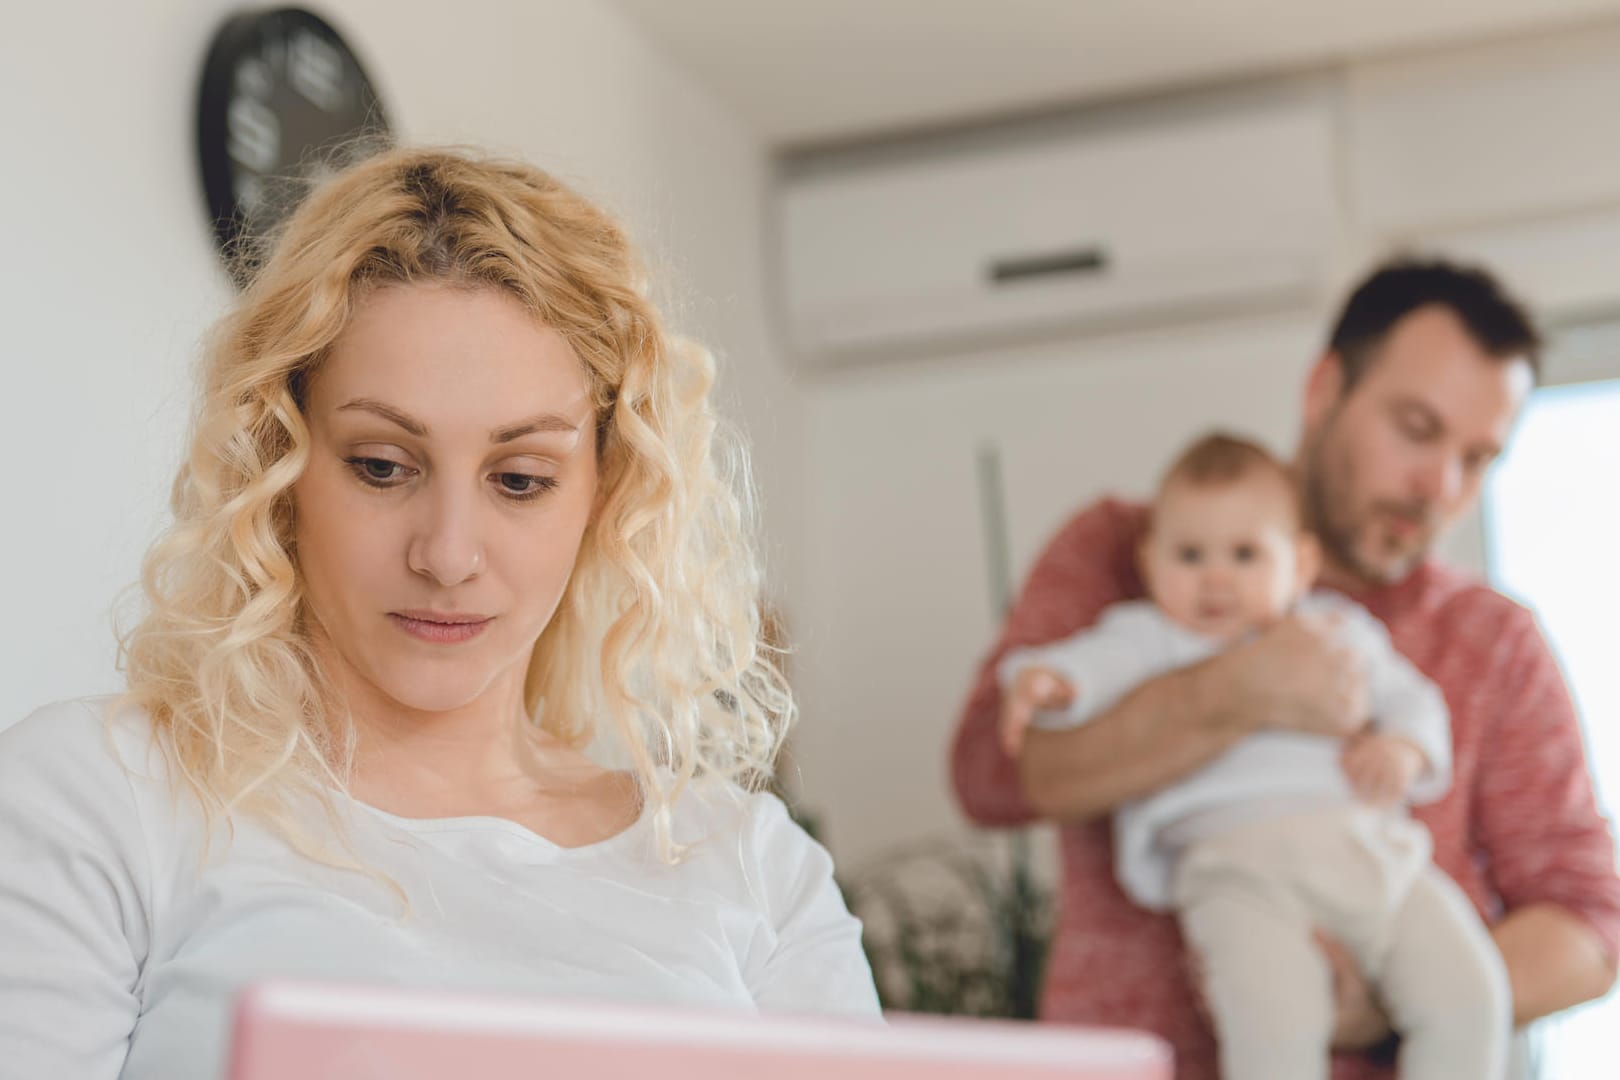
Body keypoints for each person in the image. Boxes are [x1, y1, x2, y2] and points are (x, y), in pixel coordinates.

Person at [0, 147, 879, 1080]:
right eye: (382, 466)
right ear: (280, 463)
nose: (448, 555)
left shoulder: (754, 872)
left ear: (605, 493)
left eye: (520, 480)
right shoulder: (101, 800)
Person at [950, 258, 1620, 1079]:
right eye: (1415, 428)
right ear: (1324, 390)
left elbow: (1591, 921)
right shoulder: (1131, 550)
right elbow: (989, 767)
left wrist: (1380, 1005)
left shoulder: (1495, 640)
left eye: (1478, 458)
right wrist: (1238, 691)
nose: (1439, 486)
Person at [998, 432, 1506, 1079]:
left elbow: (1416, 701)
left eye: (1244, 554)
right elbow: (1082, 671)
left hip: (1373, 855)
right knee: (1275, 1034)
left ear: (1299, 565)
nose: (1216, 578)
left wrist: (1403, 748)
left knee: (1471, 997)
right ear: (1151, 564)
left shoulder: (1335, 629)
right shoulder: (1149, 639)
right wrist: (1044, 680)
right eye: (1189, 555)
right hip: (1237, 876)